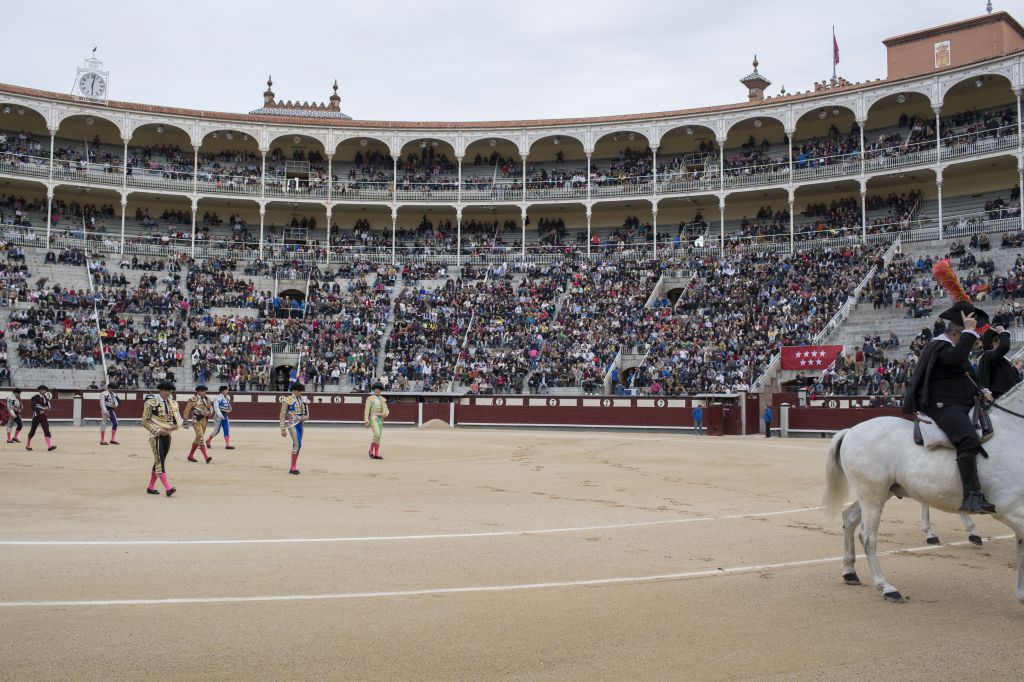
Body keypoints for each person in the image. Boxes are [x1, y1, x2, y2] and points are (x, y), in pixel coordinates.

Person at [902, 302, 996, 514]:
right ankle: (971, 495)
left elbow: (967, 376)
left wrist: (982, 390)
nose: (966, 342)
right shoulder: (940, 347)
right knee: (967, 439)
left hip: (961, 403)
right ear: (955, 334)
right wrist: (970, 331)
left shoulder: (950, 348)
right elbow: (957, 358)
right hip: (943, 406)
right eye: (962, 337)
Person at [142, 381, 180, 496]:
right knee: (159, 461)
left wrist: (174, 427)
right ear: (161, 390)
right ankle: (168, 488)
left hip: (168, 435)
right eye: (166, 391)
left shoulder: (173, 403)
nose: (168, 393)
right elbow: (144, 421)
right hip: (156, 436)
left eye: (169, 391)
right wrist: (158, 431)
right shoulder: (150, 403)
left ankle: (150, 487)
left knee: (159, 461)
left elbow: (178, 420)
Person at [977, 325, 1020, 399]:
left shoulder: (999, 359)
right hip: (1001, 400)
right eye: (1001, 340)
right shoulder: (988, 355)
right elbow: (1004, 346)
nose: (1005, 341)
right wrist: (1003, 332)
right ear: (994, 344)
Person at [279, 382, 309, 475]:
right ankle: (293, 468)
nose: (301, 393)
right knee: (297, 444)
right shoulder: (288, 400)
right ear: (295, 391)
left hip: (300, 425)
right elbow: (282, 415)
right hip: (292, 424)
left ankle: (293, 465)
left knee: (298, 445)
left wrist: (303, 417)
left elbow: (306, 414)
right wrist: (282, 429)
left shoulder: (303, 399)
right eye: (300, 391)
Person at [182, 384, 213, 463]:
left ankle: (190, 455)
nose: (204, 393)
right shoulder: (193, 399)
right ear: (198, 391)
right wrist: (185, 422)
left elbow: (211, 410)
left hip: (204, 420)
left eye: (204, 391)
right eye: (202, 391)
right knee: (200, 436)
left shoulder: (207, 399)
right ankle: (206, 457)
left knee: (198, 438)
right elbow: (187, 410)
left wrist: (208, 413)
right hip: (196, 420)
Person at [26, 386, 56, 452]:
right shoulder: (35, 397)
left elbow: (48, 406)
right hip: (36, 416)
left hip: (43, 416)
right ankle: (28, 445)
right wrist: (42, 409)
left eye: (45, 390)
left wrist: (45, 410)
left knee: (47, 430)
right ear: (39, 390)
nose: (43, 391)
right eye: (42, 390)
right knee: (32, 431)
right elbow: (33, 406)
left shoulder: (45, 397)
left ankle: (49, 446)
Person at [364, 382, 389, 460]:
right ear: (374, 390)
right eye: (376, 389)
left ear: (380, 390)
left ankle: (376, 453)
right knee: (377, 434)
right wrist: (366, 421)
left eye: (378, 389)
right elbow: (366, 410)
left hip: (380, 419)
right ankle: (371, 450)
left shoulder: (383, 399)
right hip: (373, 418)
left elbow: (386, 410)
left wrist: (385, 414)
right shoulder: (370, 398)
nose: (377, 390)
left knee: (378, 436)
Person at [206, 385, 234, 450]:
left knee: (226, 430)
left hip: (225, 416)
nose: (227, 391)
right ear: (223, 391)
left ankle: (227, 445)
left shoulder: (227, 397)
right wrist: (220, 415)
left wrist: (230, 410)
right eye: (226, 390)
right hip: (218, 417)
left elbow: (228, 406)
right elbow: (216, 408)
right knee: (216, 431)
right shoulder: (217, 398)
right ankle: (208, 440)